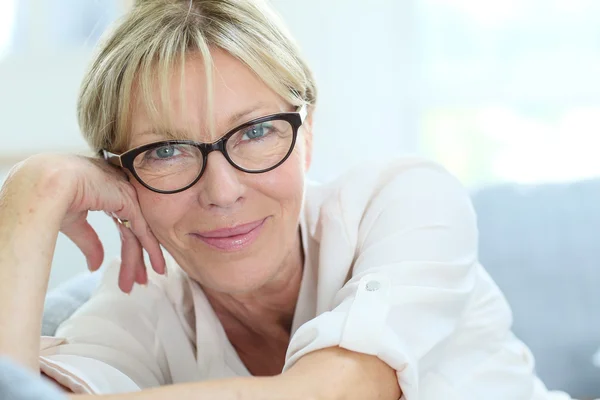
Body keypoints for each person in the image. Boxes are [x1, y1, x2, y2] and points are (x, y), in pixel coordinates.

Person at [0, 1, 574, 399]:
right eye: (168, 150)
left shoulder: (403, 203)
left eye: (255, 132)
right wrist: (34, 191)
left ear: (308, 132)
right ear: (122, 178)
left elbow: (337, 392)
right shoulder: (138, 308)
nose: (222, 192)